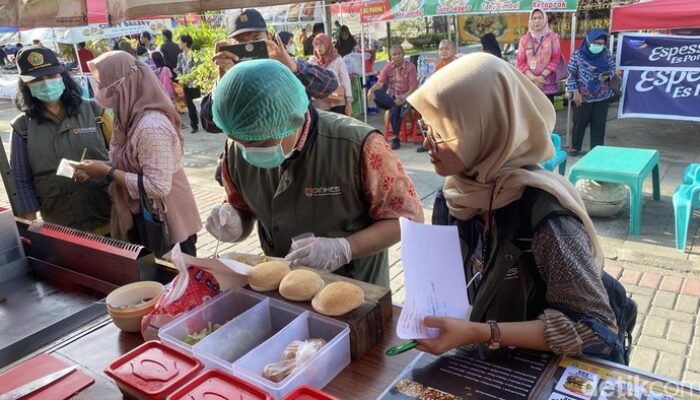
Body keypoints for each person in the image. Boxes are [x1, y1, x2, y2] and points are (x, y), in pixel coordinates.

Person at [406, 53, 620, 362]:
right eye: (425, 128)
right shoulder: (454, 195)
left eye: (439, 133)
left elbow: (597, 329)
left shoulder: (545, 216)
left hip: (535, 371)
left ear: (486, 128)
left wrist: (482, 332)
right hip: (476, 362)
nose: (426, 143)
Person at [206, 59, 423, 287]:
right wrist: (234, 221)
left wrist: (345, 248)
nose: (249, 151)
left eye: (261, 143)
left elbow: (409, 216)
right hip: (283, 289)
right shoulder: (235, 151)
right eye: (239, 142)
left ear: (292, 118)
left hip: (354, 292)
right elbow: (243, 207)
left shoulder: (357, 146)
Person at [75, 51, 201, 256]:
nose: (98, 90)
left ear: (124, 84)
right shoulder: (127, 118)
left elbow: (157, 186)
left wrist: (107, 173)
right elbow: (135, 162)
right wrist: (98, 168)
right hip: (148, 213)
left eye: (102, 83)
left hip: (168, 219)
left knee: (175, 281)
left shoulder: (150, 126)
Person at [10, 46, 112, 234]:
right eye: (37, 79)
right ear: (26, 85)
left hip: (109, 218)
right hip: (61, 226)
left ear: (62, 76)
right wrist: (31, 226)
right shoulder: (22, 128)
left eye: (51, 76)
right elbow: (21, 182)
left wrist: (99, 169)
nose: (46, 83)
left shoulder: (96, 112)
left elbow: (123, 159)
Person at [199, 8, 338, 134]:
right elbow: (209, 124)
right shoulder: (230, 77)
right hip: (253, 153)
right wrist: (223, 80)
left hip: (300, 150)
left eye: (257, 39)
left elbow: (329, 85)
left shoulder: (287, 62)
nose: (250, 46)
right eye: (241, 41)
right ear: (231, 45)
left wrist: (292, 68)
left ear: (269, 37)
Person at [567, 29, 617, 156]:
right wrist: (575, 92)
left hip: (602, 96)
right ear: (589, 41)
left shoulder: (606, 53)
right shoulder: (577, 55)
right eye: (596, 42)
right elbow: (571, 75)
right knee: (579, 123)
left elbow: (612, 68)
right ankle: (575, 147)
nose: (599, 46)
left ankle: (597, 149)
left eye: (601, 43)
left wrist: (608, 75)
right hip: (582, 97)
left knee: (599, 124)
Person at [367, 44, 418, 151]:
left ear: (403, 54)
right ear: (391, 57)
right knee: (378, 94)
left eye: (399, 53)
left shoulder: (410, 67)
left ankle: (396, 137)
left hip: (408, 96)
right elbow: (380, 83)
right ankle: (390, 105)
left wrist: (403, 98)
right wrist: (371, 90)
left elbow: (413, 87)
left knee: (394, 108)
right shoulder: (388, 67)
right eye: (394, 54)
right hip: (393, 96)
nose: (397, 56)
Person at [516, 8, 561, 100]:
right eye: (534, 18)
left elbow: (556, 59)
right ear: (530, 20)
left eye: (540, 18)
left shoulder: (553, 37)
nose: (537, 21)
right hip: (529, 83)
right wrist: (533, 78)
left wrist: (542, 77)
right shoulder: (524, 39)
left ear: (545, 19)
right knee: (530, 113)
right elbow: (521, 62)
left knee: (547, 113)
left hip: (547, 83)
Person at [310, 34, 353, 116]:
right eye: (316, 45)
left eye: (321, 44)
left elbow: (346, 81)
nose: (319, 47)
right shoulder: (312, 61)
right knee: (323, 127)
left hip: (338, 100)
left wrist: (349, 103)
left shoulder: (337, 60)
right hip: (320, 103)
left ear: (327, 44)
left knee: (339, 126)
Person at [175, 34, 200, 134]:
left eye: (180, 41)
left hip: (195, 84)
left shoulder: (194, 54)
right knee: (190, 105)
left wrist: (192, 77)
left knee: (199, 104)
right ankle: (194, 125)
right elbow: (178, 68)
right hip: (185, 84)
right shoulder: (180, 56)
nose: (179, 44)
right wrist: (180, 76)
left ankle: (208, 122)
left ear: (185, 43)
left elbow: (198, 69)